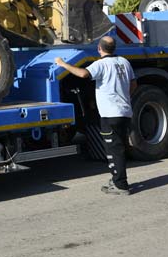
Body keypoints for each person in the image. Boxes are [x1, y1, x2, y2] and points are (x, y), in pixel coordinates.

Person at [55, 35, 138, 195]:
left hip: (110, 114)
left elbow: (83, 74)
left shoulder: (101, 64)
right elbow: (134, 84)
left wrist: (63, 64)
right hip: (125, 111)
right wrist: (124, 97)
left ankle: (120, 185)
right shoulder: (124, 62)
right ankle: (117, 179)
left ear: (99, 49)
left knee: (114, 149)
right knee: (119, 146)